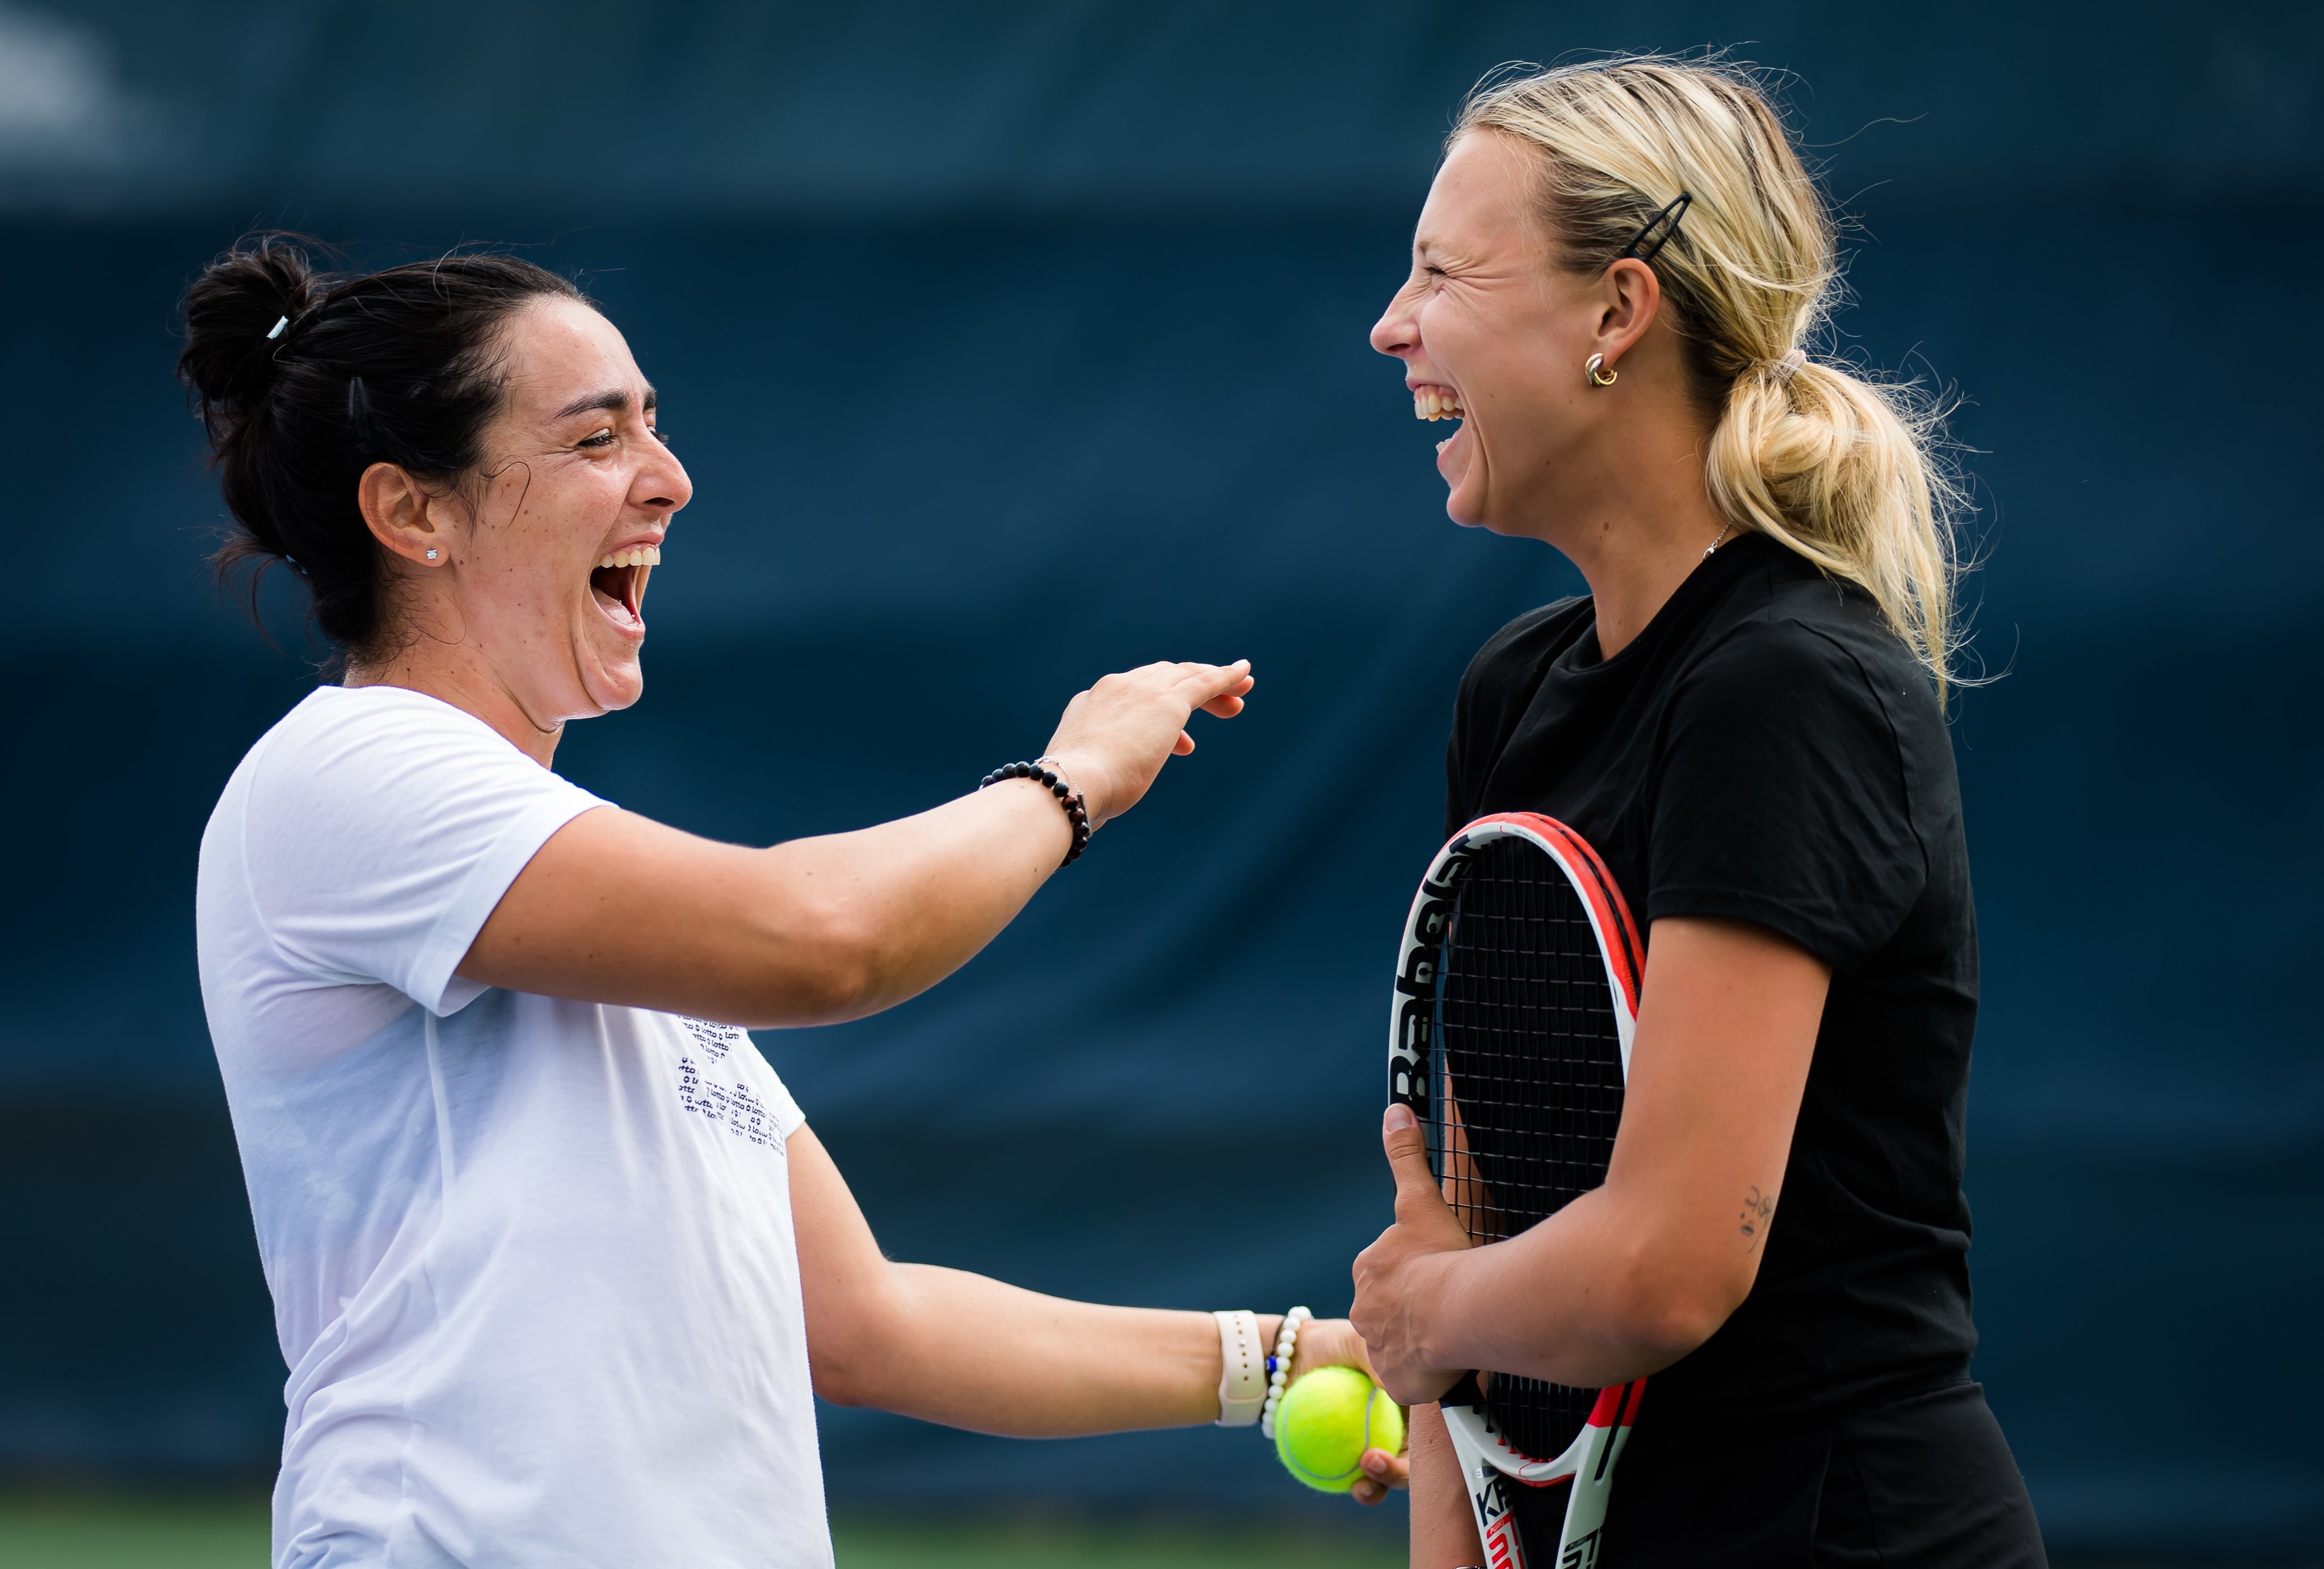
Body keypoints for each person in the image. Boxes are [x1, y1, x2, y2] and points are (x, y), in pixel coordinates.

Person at [182, 237, 1403, 1569]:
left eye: (654, 424)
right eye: (596, 438)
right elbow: (826, 941)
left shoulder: (599, 930)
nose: (670, 477)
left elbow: (869, 1324)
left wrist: (1277, 1364)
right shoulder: (347, 769)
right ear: (414, 512)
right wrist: (1071, 782)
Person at [1347, 58, 2045, 1568]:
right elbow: (1472, 1226)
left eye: (1442, 273)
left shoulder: (1783, 685)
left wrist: (1421, 1311)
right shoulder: (1510, 693)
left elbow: (1665, 1262)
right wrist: (1438, 1359)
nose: (1392, 325)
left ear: (1616, 312)